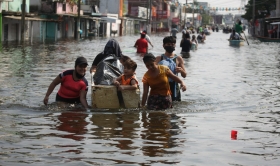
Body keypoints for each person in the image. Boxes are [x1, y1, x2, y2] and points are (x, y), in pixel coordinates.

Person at [155, 36, 187, 101]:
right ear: (163, 45)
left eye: (172, 44)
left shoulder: (178, 58)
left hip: (174, 86)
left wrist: (181, 70)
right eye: (168, 44)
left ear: (175, 45)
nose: (170, 46)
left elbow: (184, 75)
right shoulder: (159, 58)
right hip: (162, 85)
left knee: (175, 105)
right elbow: (152, 72)